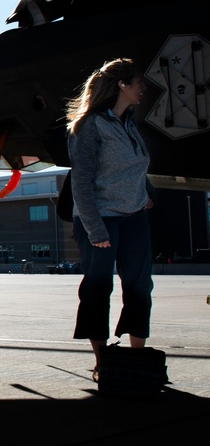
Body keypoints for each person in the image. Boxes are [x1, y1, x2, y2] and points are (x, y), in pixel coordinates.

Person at [66, 58, 154, 379]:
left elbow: (134, 165)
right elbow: (82, 181)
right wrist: (95, 228)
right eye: (138, 81)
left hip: (132, 217)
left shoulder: (128, 123)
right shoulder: (89, 126)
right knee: (98, 286)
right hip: (100, 218)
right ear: (122, 85)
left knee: (139, 285)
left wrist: (143, 193)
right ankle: (103, 362)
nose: (143, 87)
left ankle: (137, 358)